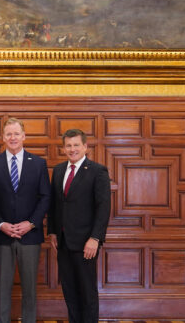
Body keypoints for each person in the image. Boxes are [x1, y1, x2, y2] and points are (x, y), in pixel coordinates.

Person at [0, 118, 51, 323]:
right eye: (8, 134)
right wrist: (1, 224)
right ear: (3, 137)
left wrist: (30, 223)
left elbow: (45, 197)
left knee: (29, 287)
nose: (12, 138)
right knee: (3, 286)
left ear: (24, 136)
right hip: (2, 235)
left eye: (16, 134)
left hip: (30, 236)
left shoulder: (38, 163)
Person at [47, 128, 111, 323]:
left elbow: (103, 207)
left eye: (76, 145)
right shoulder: (58, 171)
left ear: (85, 147)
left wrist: (95, 238)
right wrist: (52, 232)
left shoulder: (97, 171)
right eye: (68, 145)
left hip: (86, 243)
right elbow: (54, 204)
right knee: (70, 291)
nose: (72, 149)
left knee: (87, 292)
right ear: (64, 148)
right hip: (63, 242)